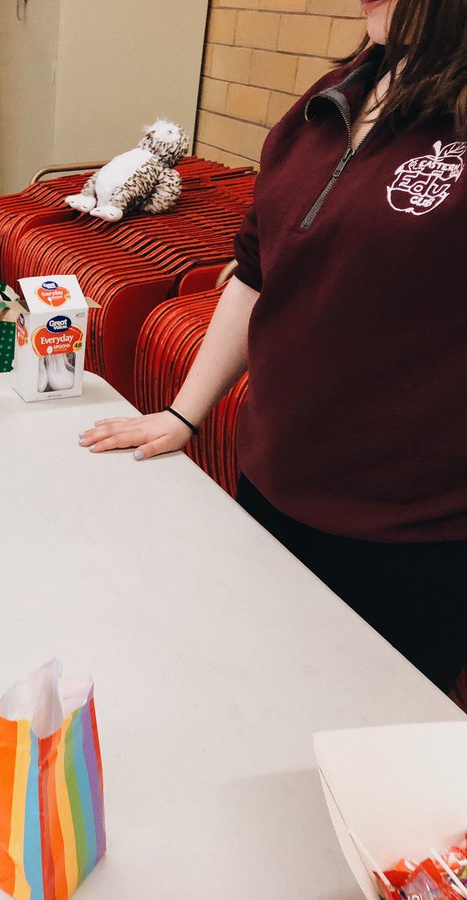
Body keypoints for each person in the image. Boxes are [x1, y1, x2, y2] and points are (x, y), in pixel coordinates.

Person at [80, 0, 467, 701]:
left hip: (409, 535)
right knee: (255, 699)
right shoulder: (330, 103)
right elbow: (256, 271)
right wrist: (184, 415)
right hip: (273, 480)